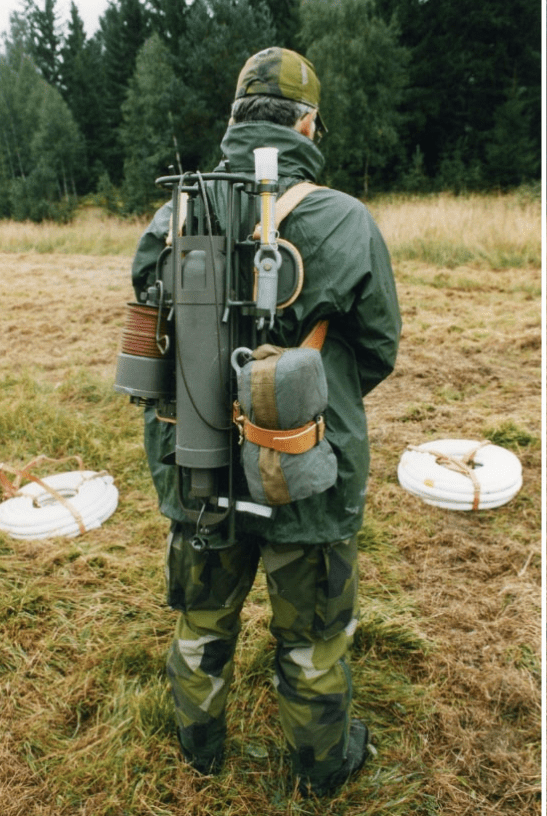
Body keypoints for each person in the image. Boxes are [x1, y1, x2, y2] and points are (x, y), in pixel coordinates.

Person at [130, 47, 401, 796]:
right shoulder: (344, 219)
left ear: (233, 122)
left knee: (201, 621)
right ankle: (322, 767)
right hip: (304, 462)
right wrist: (300, 397)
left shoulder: (172, 214)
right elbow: (378, 348)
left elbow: (144, 345)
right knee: (312, 638)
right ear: (308, 123)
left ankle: (199, 750)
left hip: (197, 463)